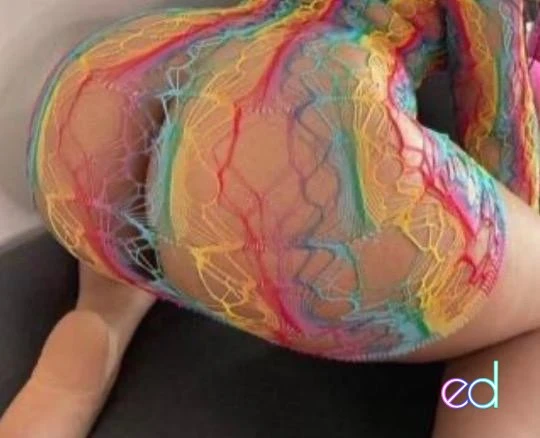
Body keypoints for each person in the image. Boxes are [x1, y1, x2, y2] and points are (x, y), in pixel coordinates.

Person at [3, 0, 540, 436]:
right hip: (290, 141)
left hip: (104, 102)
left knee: (124, 272)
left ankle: (84, 347)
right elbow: (501, 137)